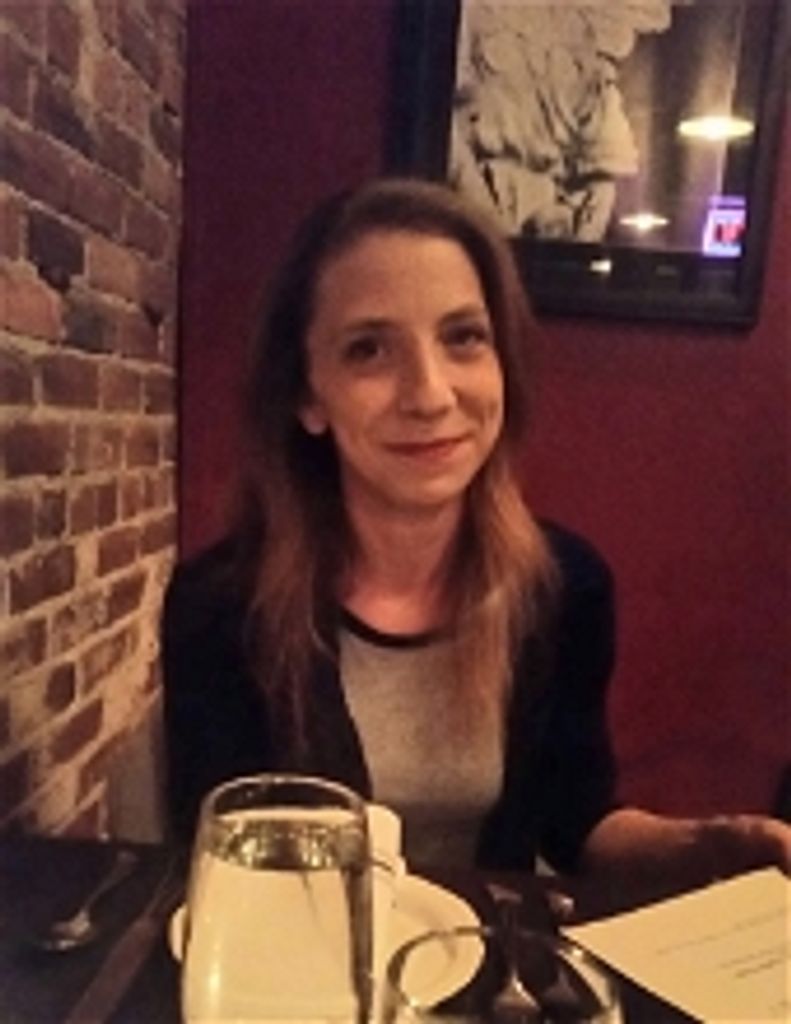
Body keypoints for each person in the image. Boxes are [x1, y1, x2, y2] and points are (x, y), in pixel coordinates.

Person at [162, 177, 790, 881]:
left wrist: (713, 845)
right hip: (301, 950)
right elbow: (220, 867)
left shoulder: (563, 586)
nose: (430, 395)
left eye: (463, 338)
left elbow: (575, 822)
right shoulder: (218, 605)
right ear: (308, 396)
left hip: (491, 952)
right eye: (369, 349)